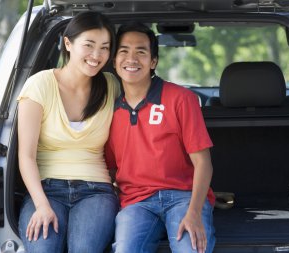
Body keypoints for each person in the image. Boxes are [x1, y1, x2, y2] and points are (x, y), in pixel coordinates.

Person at [106, 22, 216, 253]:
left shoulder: (181, 99)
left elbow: (203, 163)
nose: (132, 59)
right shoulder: (108, 110)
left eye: (141, 52)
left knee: (191, 248)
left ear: (153, 61)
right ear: (114, 61)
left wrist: (194, 212)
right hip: (137, 203)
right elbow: (110, 169)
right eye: (124, 51)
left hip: (183, 198)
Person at [17, 11, 120, 253]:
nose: (97, 55)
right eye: (89, 45)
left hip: (96, 190)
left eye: (105, 48)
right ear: (68, 43)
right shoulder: (40, 85)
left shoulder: (111, 86)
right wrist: (41, 205)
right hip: (45, 189)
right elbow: (26, 156)